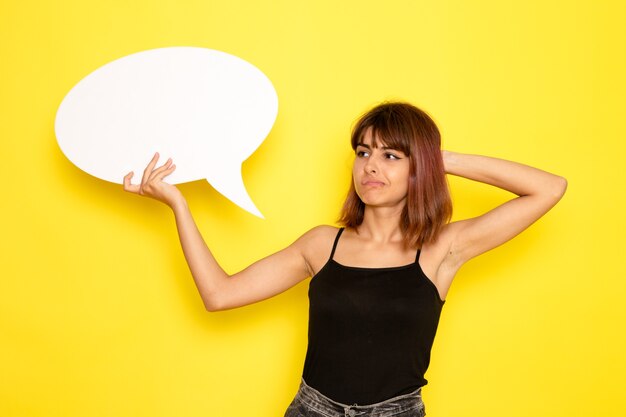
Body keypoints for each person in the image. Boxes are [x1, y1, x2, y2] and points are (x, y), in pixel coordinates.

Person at [123, 102, 567, 417]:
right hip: (313, 410)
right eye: (364, 152)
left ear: (419, 169)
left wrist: (436, 157)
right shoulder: (321, 245)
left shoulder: (441, 249)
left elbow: (549, 188)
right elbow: (219, 294)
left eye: (392, 155)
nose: (371, 166)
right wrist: (178, 206)